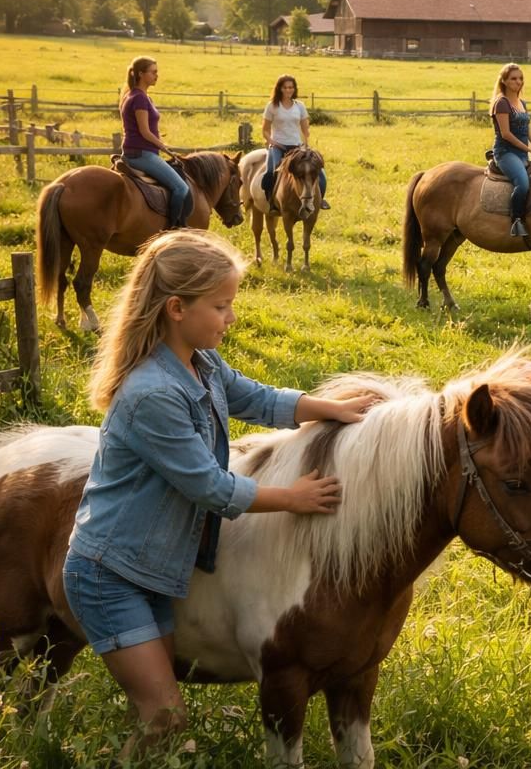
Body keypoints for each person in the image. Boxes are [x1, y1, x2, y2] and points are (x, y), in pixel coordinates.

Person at [62, 230, 377, 760]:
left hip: (154, 568)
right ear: (177, 309)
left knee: (156, 714)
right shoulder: (152, 393)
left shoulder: (200, 363)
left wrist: (331, 408)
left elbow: (257, 398)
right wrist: (293, 497)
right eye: (221, 306)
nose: (231, 317)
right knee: (164, 717)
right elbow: (208, 485)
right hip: (111, 573)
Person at [120, 57, 189, 229]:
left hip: (139, 150)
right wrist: (166, 149)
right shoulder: (140, 98)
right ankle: (172, 228)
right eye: (153, 72)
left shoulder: (137, 96)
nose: (157, 75)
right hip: (141, 153)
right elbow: (144, 131)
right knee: (181, 188)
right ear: (141, 74)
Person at [489, 63, 531, 237]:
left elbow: (528, 130)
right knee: (522, 184)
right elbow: (506, 134)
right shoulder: (501, 103)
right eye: (513, 79)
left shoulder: (522, 103)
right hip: (506, 152)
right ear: (504, 81)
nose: (518, 82)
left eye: (521, 78)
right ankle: (516, 221)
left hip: (522, 153)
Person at [260, 74, 329, 212]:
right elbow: (265, 130)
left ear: (294, 89)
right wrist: (272, 142)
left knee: (320, 172)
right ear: (279, 89)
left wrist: (305, 145)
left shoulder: (300, 106)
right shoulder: (272, 106)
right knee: (270, 172)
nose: (288, 90)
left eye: (291, 87)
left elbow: (305, 129)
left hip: (297, 147)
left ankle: (320, 200)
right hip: (278, 146)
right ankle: (271, 202)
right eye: (285, 87)